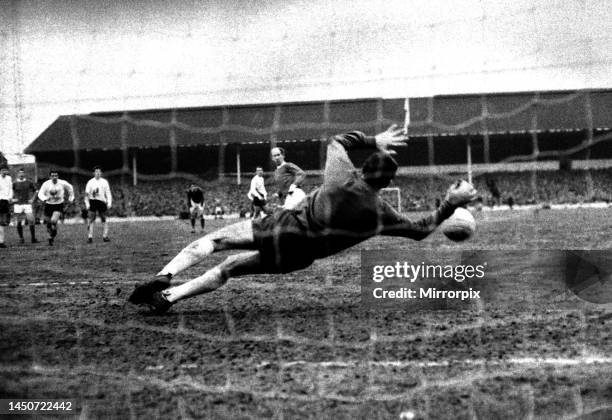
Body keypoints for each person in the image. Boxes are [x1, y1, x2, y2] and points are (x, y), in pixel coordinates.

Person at [129, 126, 477, 314]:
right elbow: (420, 232)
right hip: (300, 255)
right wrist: (449, 202)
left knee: (215, 242)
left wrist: (376, 139)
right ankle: (169, 299)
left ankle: (166, 275)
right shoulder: (379, 212)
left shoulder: (341, 174)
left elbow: (338, 139)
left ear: (364, 166)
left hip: (284, 225)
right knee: (230, 269)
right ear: (387, 183)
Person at [37, 170, 74, 246]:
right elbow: (40, 193)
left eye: (56, 176)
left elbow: (70, 188)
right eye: (53, 176)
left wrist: (71, 198)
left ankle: (51, 236)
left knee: (53, 220)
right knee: (48, 224)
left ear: (58, 176)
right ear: (50, 177)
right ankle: (51, 236)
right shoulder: (46, 184)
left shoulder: (62, 183)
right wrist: (44, 198)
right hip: (48, 205)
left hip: (58, 205)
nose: (54, 177)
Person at [84, 166, 112, 243]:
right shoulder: (90, 182)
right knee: (91, 219)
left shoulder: (105, 182)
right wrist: (87, 204)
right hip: (93, 201)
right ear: (93, 173)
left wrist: (109, 202)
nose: (98, 173)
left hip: (102, 202)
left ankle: (105, 236)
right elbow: (86, 195)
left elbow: (108, 193)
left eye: (99, 171)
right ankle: (90, 237)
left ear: (101, 173)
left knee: (104, 219)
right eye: (96, 171)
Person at [12, 168, 38, 244]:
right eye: (20, 173)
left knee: (31, 220)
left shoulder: (29, 182)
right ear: (17, 174)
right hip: (18, 205)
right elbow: (9, 192)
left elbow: (36, 191)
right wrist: (13, 199)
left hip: (27, 204)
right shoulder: (14, 183)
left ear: (24, 174)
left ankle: (33, 238)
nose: (21, 174)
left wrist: (32, 199)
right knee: (19, 222)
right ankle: (21, 238)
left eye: (23, 173)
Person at [0, 165, 13, 248]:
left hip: (5, 201)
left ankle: (1, 241)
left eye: (6, 170)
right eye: (3, 170)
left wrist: (10, 197)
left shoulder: (9, 178)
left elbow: (10, 189)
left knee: (2, 222)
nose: (4, 171)